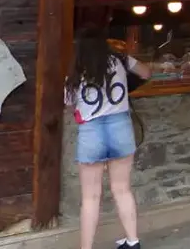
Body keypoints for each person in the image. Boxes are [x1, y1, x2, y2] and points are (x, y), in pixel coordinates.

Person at [65, 24, 151, 249]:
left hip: (92, 132)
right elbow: (146, 72)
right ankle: (133, 242)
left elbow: (68, 102)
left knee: (91, 197)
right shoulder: (121, 60)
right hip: (120, 127)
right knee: (122, 189)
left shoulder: (76, 69)